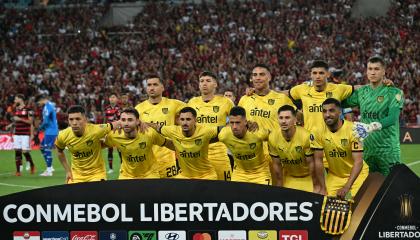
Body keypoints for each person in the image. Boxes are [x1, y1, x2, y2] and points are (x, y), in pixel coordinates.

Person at [344, 56, 405, 176]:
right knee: (369, 190)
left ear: (384, 71)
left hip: (388, 150)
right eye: (370, 69)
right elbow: (339, 101)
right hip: (367, 150)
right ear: (366, 71)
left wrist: (374, 126)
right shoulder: (361, 92)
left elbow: (393, 118)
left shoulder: (394, 92)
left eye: (377, 69)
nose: (372, 72)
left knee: (392, 189)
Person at [289, 60, 354, 169]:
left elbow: (358, 88)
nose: (317, 76)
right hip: (311, 144)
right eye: (314, 73)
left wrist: (382, 83)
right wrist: (255, 91)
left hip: (333, 145)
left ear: (327, 74)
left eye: (321, 73)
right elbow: (282, 94)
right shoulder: (302, 90)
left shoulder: (338, 89)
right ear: (310, 75)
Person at [238, 64, 295, 183]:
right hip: (251, 152)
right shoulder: (244, 99)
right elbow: (237, 124)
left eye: (262, 74)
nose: (257, 78)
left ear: (269, 77)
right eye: (255, 75)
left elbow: (296, 119)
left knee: (277, 190)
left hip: (275, 152)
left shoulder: (281, 99)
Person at [311, 98, 369, 199]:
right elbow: (318, 161)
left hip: (358, 173)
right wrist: (323, 187)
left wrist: (347, 186)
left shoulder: (353, 130)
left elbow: (358, 162)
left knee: (360, 204)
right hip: (335, 175)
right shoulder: (317, 131)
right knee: (324, 203)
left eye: (331, 110)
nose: (327, 114)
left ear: (340, 112)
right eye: (324, 111)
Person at [135, 75, 185, 178]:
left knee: (169, 192)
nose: (152, 88)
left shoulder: (174, 105)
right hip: (146, 161)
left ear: (162, 87)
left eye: (155, 84)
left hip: (167, 160)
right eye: (149, 85)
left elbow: (194, 113)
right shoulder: (138, 109)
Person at [55, 105, 121, 183]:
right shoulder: (63, 135)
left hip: (96, 174)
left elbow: (118, 123)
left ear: (85, 119)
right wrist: (68, 171)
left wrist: (138, 122)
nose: (74, 123)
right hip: (76, 175)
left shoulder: (96, 130)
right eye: (71, 119)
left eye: (78, 119)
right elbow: (59, 150)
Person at [188, 71, 234, 181]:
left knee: (225, 190)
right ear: (198, 85)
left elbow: (236, 120)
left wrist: (225, 131)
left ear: (215, 84)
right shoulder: (192, 102)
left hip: (220, 153)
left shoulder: (226, 102)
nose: (204, 84)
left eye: (208, 81)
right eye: (201, 81)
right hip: (198, 153)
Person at [104, 108, 174, 179]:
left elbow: (167, 143)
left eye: (130, 120)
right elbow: (101, 144)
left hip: (150, 173)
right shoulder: (114, 135)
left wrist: (183, 148)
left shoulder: (149, 133)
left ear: (138, 121)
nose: (126, 123)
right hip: (127, 175)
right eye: (123, 120)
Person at [150, 107, 218, 180]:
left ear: (195, 120)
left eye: (188, 119)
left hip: (206, 176)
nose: (184, 123)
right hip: (185, 176)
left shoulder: (205, 131)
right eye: (182, 119)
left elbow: (223, 130)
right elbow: (157, 127)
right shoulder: (173, 131)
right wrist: (142, 124)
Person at [268, 105, 322, 193]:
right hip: (290, 178)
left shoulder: (306, 136)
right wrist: (279, 186)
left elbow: (312, 164)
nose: (284, 121)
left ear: (295, 120)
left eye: (287, 118)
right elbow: (277, 165)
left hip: (308, 178)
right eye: (281, 118)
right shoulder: (272, 137)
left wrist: (316, 186)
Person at [218, 106, 271, 185]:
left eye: (238, 122)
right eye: (232, 123)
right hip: (239, 173)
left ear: (246, 122)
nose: (234, 127)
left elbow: (275, 137)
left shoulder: (257, 133)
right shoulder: (224, 135)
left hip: (260, 173)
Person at [6, 94, 36, 176]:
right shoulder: (16, 109)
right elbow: (16, 121)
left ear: (21, 99)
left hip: (25, 134)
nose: (15, 100)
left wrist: (20, 119)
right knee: (17, 151)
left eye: (16, 99)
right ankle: (18, 171)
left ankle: (32, 165)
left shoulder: (29, 109)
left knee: (25, 151)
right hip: (17, 133)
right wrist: (11, 125)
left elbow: (30, 122)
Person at [35, 94, 59, 177]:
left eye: (38, 102)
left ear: (42, 99)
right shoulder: (49, 106)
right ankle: (50, 167)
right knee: (42, 147)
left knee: (47, 149)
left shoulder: (48, 107)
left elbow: (46, 121)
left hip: (51, 131)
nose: (38, 104)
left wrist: (39, 128)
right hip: (49, 131)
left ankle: (49, 171)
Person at [104, 93, 122, 174]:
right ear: (109, 99)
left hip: (118, 132)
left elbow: (121, 120)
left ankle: (122, 166)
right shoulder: (106, 109)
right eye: (110, 97)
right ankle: (111, 169)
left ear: (117, 99)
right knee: (110, 150)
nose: (112, 99)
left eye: (114, 97)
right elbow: (105, 120)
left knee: (120, 150)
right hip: (109, 132)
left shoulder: (119, 109)